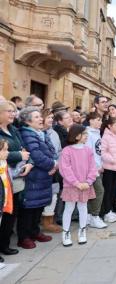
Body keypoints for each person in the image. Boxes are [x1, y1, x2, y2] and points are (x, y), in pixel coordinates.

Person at [18, 107, 57, 249]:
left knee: (39, 206)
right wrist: (52, 164)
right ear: (27, 121)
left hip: (44, 175)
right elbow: (35, 155)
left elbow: (51, 151)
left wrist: (54, 163)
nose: (41, 119)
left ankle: (35, 232)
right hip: (34, 177)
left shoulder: (41, 133)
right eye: (36, 117)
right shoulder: (27, 134)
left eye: (40, 116)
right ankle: (24, 237)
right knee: (29, 208)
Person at [0, 101, 31, 256]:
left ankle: (4, 245)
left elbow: (26, 150)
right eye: (9, 111)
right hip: (3, 179)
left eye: (13, 111)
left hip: (17, 179)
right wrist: (19, 155)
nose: (13, 114)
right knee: (2, 213)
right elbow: (9, 154)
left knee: (11, 214)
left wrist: (29, 164)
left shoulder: (14, 129)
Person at [59, 125, 98, 246]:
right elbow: (65, 169)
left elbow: (93, 167)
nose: (87, 136)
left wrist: (88, 182)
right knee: (69, 208)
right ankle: (65, 232)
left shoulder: (88, 150)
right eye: (84, 134)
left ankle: (82, 231)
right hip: (71, 185)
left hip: (85, 185)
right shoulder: (67, 151)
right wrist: (76, 183)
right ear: (77, 136)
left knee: (83, 207)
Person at [40, 109, 62, 233]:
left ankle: (49, 220)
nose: (51, 120)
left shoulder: (54, 133)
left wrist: (57, 165)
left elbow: (58, 151)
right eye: (49, 117)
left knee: (54, 195)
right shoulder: (39, 133)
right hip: (44, 169)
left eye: (52, 117)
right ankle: (41, 221)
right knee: (42, 196)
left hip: (55, 169)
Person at [85, 112, 107, 229]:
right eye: (97, 120)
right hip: (92, 169)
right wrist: (95, 167)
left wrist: (101, 164)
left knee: (93, 192)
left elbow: (99, 151)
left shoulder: (97, 133)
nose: (100, 122)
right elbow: (89, 153)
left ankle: (89, 215)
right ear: (91, 121)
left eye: (101, 120)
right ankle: (94, 216)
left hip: (98, 167)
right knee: (99, 191)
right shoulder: (88, 134)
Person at [0, 139, 13, 264]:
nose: (7, 152)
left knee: (5, 225)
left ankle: (4, 247)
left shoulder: (4, 162)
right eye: (4, 150)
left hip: (5, 199)